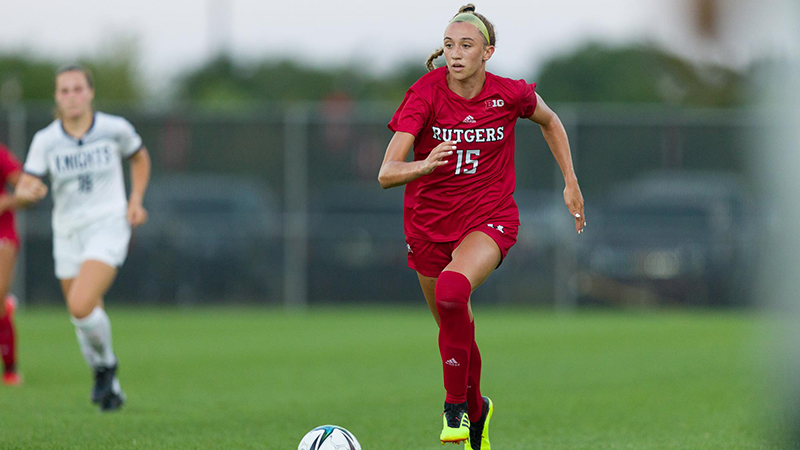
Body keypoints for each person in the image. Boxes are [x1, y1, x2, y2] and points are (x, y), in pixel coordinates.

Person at [378, 4, 585, 448]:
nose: (455, 54)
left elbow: (550, 121)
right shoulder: (426, 94)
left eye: (466, 45)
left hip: (488, 218)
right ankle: (477, 411)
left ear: (487, 52)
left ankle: (454, 410)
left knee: (454, 292)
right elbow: (386, 172)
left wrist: (570, 181)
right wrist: (423, 166)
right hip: (428, 226)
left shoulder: (509, 94)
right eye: (449, 45)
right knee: (453, 324)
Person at [15, 65, 151, 411]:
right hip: (67, 231)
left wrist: (135, 200)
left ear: (90, 93)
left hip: (107, 223)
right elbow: (27, 180)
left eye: (78, 89)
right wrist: (29, 190)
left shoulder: (113, 128)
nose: (71, 96)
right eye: (64, 90)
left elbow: (139, 157)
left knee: (80, 303)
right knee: (83, 316)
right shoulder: (46, 140)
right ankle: (110, 384)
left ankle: (106, 367)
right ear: (56, 98)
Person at [0, 143, 25, 386]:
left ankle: (10, 367)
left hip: (2, 233)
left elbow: (28, 191)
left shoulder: (0, 154)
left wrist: (5, 202)